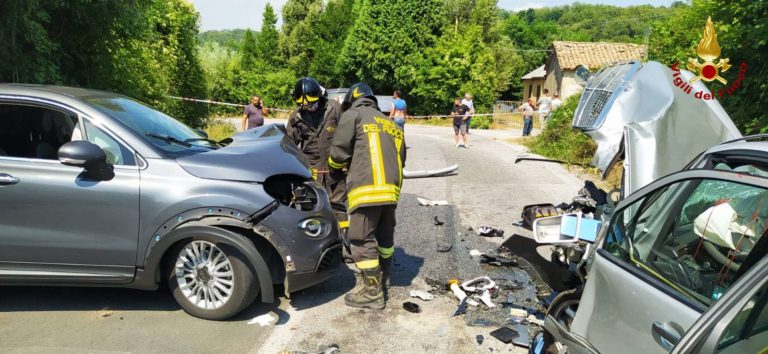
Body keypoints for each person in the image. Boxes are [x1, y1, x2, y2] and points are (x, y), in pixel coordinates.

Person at [328, 82, 406, 310]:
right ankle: (385, 277)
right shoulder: (392, 124)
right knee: (384, 237)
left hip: (366, 190)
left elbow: (338, 153)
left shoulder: (353, 115)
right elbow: (401, 159)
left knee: (361, 238)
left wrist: (334, 169)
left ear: (352, 99)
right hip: (390, 192)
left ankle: (372, 292)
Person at [286, 77, 346, 205]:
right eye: (305, 106)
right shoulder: (296, 117)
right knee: (312, 209)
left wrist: (348, 161)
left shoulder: (335, 109)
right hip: (311, 172)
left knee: (338, 208)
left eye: (312, 104)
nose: (309, 108)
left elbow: (348, 135)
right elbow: (288, 145)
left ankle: (342, 226)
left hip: (336, 170)